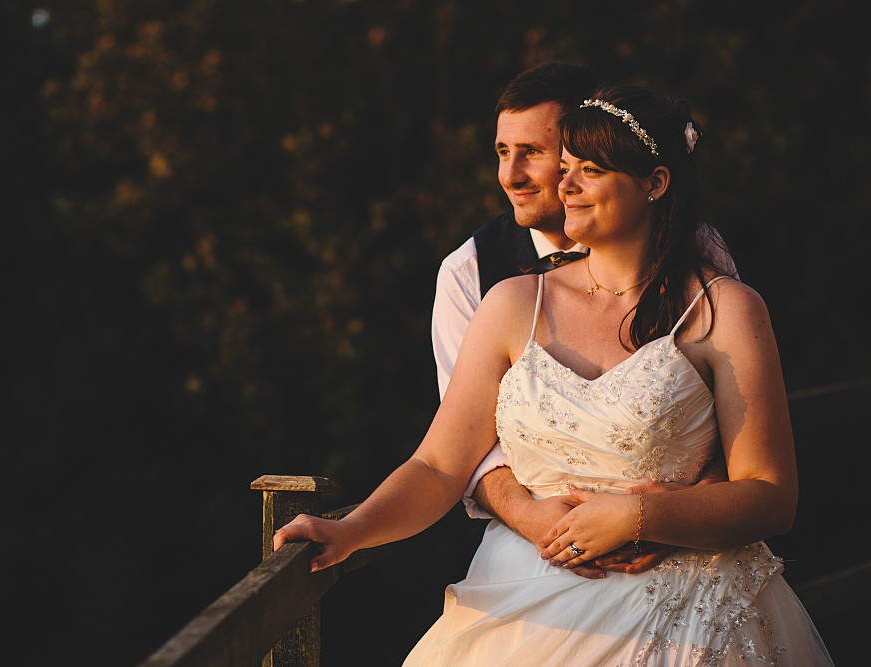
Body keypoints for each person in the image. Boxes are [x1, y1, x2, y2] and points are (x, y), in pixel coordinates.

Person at [275, 81, 834, 664]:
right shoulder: (512, 303)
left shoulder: (725, 310)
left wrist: (641, 516)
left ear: (656, 182)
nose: (563, 186)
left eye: (589, 170)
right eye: (564, 167)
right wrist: (349, 532)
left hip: (689, 605)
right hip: (525, 596)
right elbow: (439, 465)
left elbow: (772, 495)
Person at [435, 60, 735, 579]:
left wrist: (677, 514)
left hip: (681, 561)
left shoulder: (697, 252)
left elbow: (735, 412)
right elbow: (460, 450)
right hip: (539, 558)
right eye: (503, 152)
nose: (511, 175)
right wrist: (537, 522)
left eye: (533, 152)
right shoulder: (470, 273)